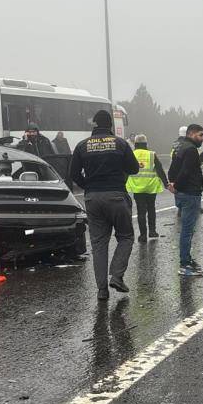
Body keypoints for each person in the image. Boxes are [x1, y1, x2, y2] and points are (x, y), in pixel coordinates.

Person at [69, 110, 139, 301]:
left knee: (99, 244)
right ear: (110, 125)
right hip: (116, 195)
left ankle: (102, 291)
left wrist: (88, 186)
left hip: (92, 198)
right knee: (125, 236)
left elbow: (73, 173)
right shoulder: (120, 143)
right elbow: (134, 168)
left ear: (94, 124)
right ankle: (116, 275)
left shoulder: (82, 146)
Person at [168, 124, 203, 276]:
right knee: (187, 230)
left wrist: (172, 183)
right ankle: (184, 264)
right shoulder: (190, 150)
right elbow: (186, 171)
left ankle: (187, 259)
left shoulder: (180, 147)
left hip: (184, 193)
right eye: (200, 135)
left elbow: (173, 168)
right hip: (190, 193)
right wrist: (176, 185)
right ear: (191, 134)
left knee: (188, 229)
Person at [126, 134, 169, 243]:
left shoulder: (131, 154)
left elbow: (125, 171)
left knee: (141, 211)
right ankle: (152, 231)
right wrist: (166, 183)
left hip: (137, 187)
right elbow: (160, 170)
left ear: (135, 144)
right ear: (146, 144)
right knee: (151, 209)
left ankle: (143, 235)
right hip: (151, 187)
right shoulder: (151, 154)